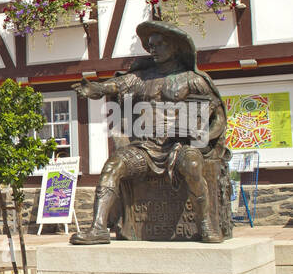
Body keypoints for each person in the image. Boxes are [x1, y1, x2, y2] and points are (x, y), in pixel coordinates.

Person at [70, 20, 227, 244]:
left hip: (180, 146)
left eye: (159, 44)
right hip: (145, 148)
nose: (152, 49)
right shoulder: (140, 78)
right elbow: (115, 85)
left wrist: (202, 138)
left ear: (174, 46)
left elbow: (218, 116)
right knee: (113, 166)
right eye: (150, 45)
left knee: (192, 166)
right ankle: (98, 229)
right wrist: (96, 88)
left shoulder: (193, 79)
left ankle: (206, 225)